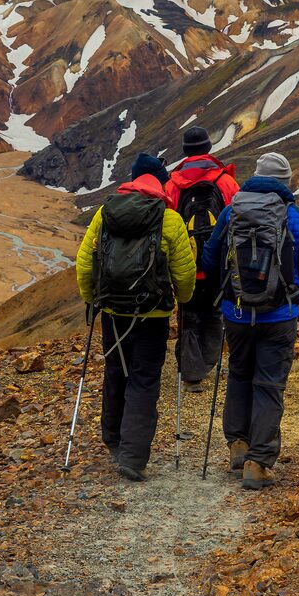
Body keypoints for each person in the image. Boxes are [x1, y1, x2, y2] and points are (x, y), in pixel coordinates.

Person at [199, 151, 299, 490]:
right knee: (269, 384)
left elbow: (209, 260)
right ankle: (258, 463)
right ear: (286, 184)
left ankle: (237, 446)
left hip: (237, 314)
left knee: (239, 374)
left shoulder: (231, 212)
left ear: (254, 178)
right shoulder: (297, 217)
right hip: (280, 315)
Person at [75, 153, 196, 481]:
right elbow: (184, 274)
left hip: (113, 311)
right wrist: (183, 299)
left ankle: (113, 439)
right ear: (159, 182)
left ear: (132, 179)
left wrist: (93, 299)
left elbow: (85, 262)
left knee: (116, 372)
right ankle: (132, 455)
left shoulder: (105, 212)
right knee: (144, 379)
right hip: (152, 314)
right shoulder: (169, 220)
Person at [164, 126, 240, 392]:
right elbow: (238, 219)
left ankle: (192, 374)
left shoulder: (172, 185)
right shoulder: (225, 182)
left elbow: (167, 223)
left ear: (185, 151)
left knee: (189, 314)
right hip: (218, 264)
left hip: (185, 265)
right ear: (208, 148)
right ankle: (209, 361)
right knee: (214, 312)